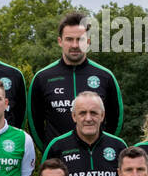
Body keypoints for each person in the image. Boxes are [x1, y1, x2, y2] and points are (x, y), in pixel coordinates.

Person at [26, 11, 123, 150]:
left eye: (81, 39)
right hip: (57, 162)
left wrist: (102, 147)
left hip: (97, 159)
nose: (75, 45)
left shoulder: (105, 76)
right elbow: (35, 126)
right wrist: (51, 150)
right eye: (69, 39)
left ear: (88, 41)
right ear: (60, 41)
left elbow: (116, 121)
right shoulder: (42, 78)